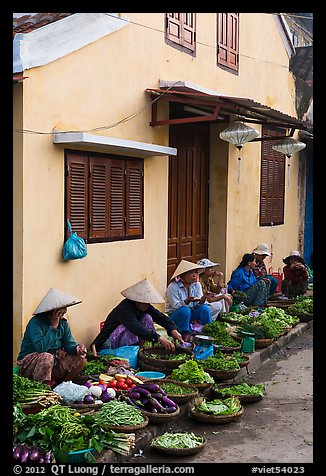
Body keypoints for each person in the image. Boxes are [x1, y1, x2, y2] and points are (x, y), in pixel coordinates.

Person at [16, 288, 87, 388]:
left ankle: (61, 387)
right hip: (30, 363)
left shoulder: (63, 323)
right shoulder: (36, 323)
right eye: (61, 309)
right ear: (52, 311)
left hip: (53, 361)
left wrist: (77, 348)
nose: (64, 311)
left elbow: (68, 343)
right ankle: (43, 389)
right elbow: (41, 348)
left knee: (81, 359)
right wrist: (53, 326)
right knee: (47, 357)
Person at [91, 278, 184, 353]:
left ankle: (137, 350)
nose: (146, 305)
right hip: (109, 342)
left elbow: (159, 316)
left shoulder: (144, 306)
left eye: (147, 303)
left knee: (147, 317)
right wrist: (159, 338)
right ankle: (129, 352)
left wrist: (173, 329)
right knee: (133, 328)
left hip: (127, 336)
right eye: (144, 302)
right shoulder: (125, 310)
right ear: (136, 300)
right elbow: (136, 328)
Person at [165, 260, 212, 342]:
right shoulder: (173, 287)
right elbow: (175, 307)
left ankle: (208, 331)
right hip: (176, 317)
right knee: (185, 310)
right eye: (191, 273)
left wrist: (204, 298)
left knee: (204, 308)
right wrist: (186, 301)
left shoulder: (196, 285)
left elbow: (198, 303)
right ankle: (184, 334)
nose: (194, 275)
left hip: (191, 313)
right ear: (183, 275)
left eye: (196, 272)